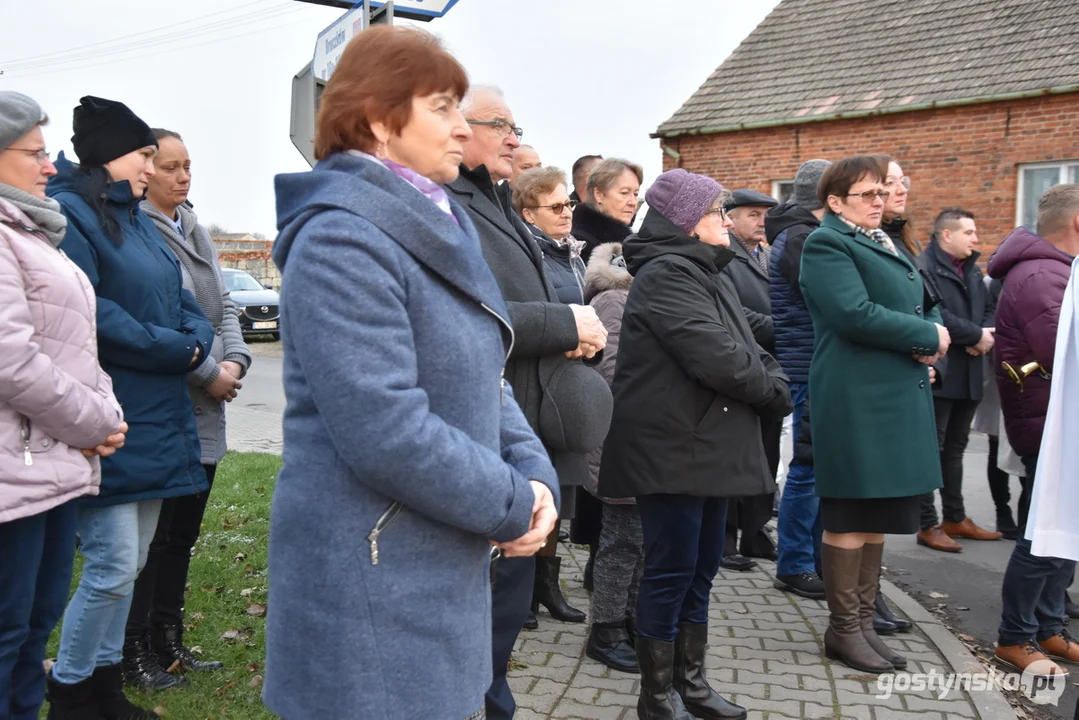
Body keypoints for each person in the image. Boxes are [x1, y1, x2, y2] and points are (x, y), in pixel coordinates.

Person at [261, 29, 560, 720]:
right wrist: (511, 502)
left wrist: (534, 476)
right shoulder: (342, 236)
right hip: (371, 571)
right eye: (441, 107)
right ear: (376, 118)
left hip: (434, 553)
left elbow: (486, 373)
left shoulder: (436, 220)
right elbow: (384, 427)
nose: (463, 127)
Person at [445, 84, 610, 720]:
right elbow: (466, 313)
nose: (515, 138)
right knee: (487, 604)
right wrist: (566, 323)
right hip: (485, 428)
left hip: (522, 427)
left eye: (516, 127)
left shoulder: (495, 201)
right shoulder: (452, 203)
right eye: (501, 126)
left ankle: (491, 698)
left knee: (506, 607)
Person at [601, 169, 791, 719]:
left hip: (703, 446)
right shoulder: (668, 274)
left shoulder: (706, 270)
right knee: (671, 568)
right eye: (715, 213)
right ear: (686, 222)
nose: (726, 222)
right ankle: (656, 696)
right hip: (673, 447)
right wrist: (773, 390)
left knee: (702, 565)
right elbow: (716, 356)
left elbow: (749, 342)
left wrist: (770, 375)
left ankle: (692, 684)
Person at [47, 96, 214, 720]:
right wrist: (177, 349)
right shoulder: (72, 215)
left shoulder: (137, 220)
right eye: (144, 154)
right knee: (114, 564)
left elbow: (181, 296)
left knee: (133, 560)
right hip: (109, 415)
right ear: (109, 154)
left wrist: (192, 337)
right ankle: (68, 691)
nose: (151, 166)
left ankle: (105, 689)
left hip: (155, 414)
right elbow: (90, 312)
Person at [0, 91, 126, 720]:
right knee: (6, 635)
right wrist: (96, 421)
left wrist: (100, 410)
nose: (50, 166)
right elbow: (12, 361)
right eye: (35, 153)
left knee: (30, 629)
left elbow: (75, 343)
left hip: (44, 464)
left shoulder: (29, 229)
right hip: (13, 472)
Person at [799, 156, 949, 674]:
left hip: (892, 391)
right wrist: (927, 337)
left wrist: (932, 331)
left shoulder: (882, 239)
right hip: (855, 395)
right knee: (850, 511)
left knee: (879, 511)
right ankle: (843, 630)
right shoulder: (827, 243)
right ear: (836, 202)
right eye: (866, 194)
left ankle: (862, 623)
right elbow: (851, 313)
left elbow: (921, 301)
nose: (878, 201)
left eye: (880, 193)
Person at [124, 128, 253, 687]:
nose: (183, 176)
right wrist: (209, 373)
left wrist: (240, 361)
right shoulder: (137, 232)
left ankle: (169, 640)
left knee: (181, 538)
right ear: (146, 171)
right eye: (171, 167)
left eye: (188, 165)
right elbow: (159, 322)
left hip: (208, 409)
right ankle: (135, 650)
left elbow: (222, 304)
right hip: (171, 407)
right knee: (150, 541)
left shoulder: (195, 227)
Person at [990, 183, 1079, 677]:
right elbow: (1059, 353)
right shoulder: (1044, 276)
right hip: (1050, 424)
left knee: (1063, 532)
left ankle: (1047, 626)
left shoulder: (1057, 272)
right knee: (1044, 534)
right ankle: (1015, 635)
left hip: (1056, 421)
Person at [513, 165, 600, 627]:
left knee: (562, 491)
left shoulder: (571, 254)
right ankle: (521, 589)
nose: (568, 213)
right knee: (535, 487)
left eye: (570, 204)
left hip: (569, 381)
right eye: (557, 206)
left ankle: (548, 584)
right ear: (528, 214)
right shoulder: (533, 258)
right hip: (538, 385)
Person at [915, 209, 1001, 551]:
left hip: (969, 373)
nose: (976, 238)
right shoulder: (925, 267)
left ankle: (955, 516)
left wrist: (987, 334)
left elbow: (989, 307)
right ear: (946, 235)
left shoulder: (974, 270)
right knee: (930, 450)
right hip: (942, 370)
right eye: (969, 232)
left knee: (955, 449)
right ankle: (926, 524)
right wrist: (976, 335)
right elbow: (935, 314)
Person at [766, 159, 831, 601]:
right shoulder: (802, 238)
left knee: (816, 469)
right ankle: (794, 564)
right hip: (807, 365)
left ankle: (810, 559)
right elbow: (824, 300)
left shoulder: (800, 234)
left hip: (812, 363)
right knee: (806, 469)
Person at [581, 241, 641, 674]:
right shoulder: (615, 301)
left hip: (642, 437)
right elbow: (612, 373)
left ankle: (632, 621)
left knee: (641, 539)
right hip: (622, 437)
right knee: (622, 540)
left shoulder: (635, 296)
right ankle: (606, 630)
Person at [722, 188, 781, 572]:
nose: (761, 222)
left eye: (764, 215)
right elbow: (734, 311)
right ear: (731, 217)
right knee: (734, 453)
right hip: (742, 361)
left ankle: (755, 528)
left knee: (768, 450)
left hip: (773, 364)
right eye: (753, 215)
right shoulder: (724, 254)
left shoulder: (768, 255)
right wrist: (782, 328)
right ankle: (725, 536)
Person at [970, 276, 1020, 539]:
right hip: (998, 372)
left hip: (1029, 376)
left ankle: (1026, 513)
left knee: (1028, 447)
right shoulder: (993, 284)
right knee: (996, 444)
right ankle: (1003, 511)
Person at [572, 157, 641, 263]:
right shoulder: (581, 245)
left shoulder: (630, 241)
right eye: (624, 193)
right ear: (599, 195)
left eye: (636, 194)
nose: (633, 202)